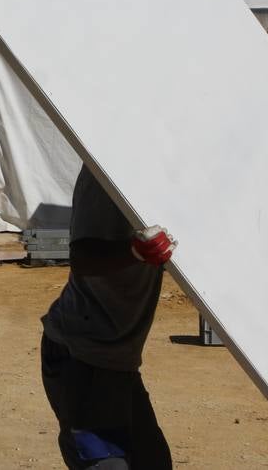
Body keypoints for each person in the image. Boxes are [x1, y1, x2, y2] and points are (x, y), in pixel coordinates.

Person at [41, 165, 177, 469]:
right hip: (81, 354)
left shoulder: (165, 169)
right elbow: (82, 256)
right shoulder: (104, 173)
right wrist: (136, 252)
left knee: (153, 462)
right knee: (105, 465)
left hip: (118, 360)